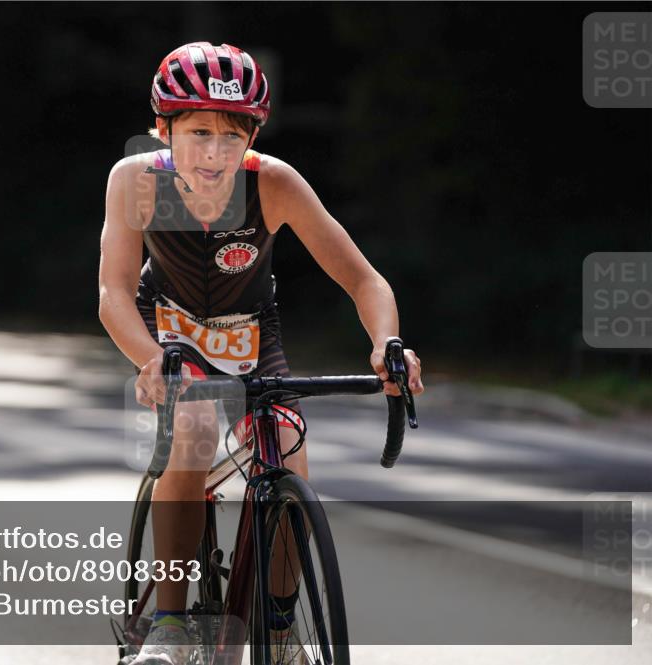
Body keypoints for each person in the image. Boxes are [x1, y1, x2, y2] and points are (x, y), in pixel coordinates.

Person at [99, 42, 424, 664]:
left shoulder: (270, 183)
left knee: (289, 450)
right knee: (192, 426)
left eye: (232, 134)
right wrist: (149, 360)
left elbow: (364, 280)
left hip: (252, 333)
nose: (216, 152)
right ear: (162, 130)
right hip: (168, 331)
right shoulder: (138, 181)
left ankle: (277, 631)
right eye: (198, 132)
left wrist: (386, 342)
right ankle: (170, 624)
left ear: (252, 135)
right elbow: (112, 293)